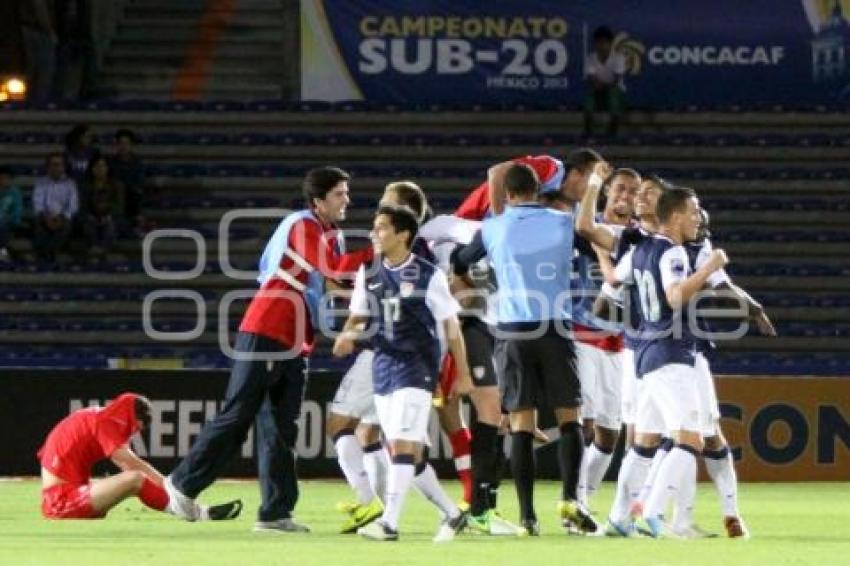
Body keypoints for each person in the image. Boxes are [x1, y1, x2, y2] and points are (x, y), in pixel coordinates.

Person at [165, 166, 374, 533]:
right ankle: (181, 484)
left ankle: (275, 512)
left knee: (280, 426)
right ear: (318, 200)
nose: (347, 200)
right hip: (269, 326)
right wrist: (381, 249)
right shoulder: (304, 225)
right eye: (340, 193)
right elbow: (331, 267)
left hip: (297, 337)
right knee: (239, 411)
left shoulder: (331, 233)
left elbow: (338, 279)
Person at [452, 163, 604, 536]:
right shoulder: (562, 222)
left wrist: (484, 283)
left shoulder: (491, 227)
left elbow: (459, 261)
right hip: (554, 327)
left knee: (520, 424)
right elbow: (594, 243)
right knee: (570, 418)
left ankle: (527, 516)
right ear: (537, 191)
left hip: (511, 333)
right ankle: (571, 499)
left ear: (507, 194)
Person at [333, 204, 473, 542]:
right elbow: (358, 315)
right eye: (374, 227)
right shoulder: (370, 272)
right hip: (383, 366)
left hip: (417, 367)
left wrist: (463, 374)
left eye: (381, 228)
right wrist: (347, 334)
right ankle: (453, 514)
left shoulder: (428, 275)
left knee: (403, 446)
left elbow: (451, 326)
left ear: (403, 234)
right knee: (409, 454)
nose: (374, 234)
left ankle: (389, 523)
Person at [610, 187, 729, 537]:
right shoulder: (673, 251)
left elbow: (614, 280)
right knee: (690, 439)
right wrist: (710, 266)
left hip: (645, 351)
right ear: (675, 215)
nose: (698, 218)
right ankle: (652, 510)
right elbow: (675, 297)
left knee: (645, 441)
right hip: (670, 350)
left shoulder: (639, 249)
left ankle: (619, 517)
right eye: (693, 211)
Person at [327, 181, 430, 534]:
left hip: (384, 355)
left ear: (405, 221)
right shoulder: (410, 256)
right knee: (371, 433)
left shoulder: (405, 260)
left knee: (340, 424)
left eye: (386, 212)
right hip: (403, 359)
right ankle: (388, 509)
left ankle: (368, 500)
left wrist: (351, 330)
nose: (376, 221)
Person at [37, 392, 241, 521]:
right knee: (134, 479)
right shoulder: (105, 423)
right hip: (61, 501)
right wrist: (169, 486)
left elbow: (48, 452)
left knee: (133, 479)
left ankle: (193, 510)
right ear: (128, 418)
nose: (131, 434)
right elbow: (129, 463)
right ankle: (193, 511)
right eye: (134, 428)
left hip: (69, 493)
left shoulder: (99, 417)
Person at [570, 168, 640, 512]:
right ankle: (576, 504)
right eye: (620, 190)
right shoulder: (589, 226)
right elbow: (581, 226)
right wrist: (593, 187)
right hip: (582, 335)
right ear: (608, 192)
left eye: (632, 192)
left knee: (609, 435)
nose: (625, 196)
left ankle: (586, 498)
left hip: (618, 343)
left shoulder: (637, 238)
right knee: (585, 423)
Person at [455, 148, 603, 219]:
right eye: (594, 180)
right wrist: (500, 222)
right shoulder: (551, 168)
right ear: (577, 173)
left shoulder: (576, 209)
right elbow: (496, 172)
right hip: (473, 216)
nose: (595, 190)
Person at [33, 152, 78, 262]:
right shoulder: (41, 182)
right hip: (45, 216)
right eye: (54, 164)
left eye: (60, 164)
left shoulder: (70, 183)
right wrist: (46, 217)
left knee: (66, 226)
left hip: (63, 217)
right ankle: (45, 254)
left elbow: (73, 205)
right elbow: (37, 203)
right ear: (48, 167)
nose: (57, 168)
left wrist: (61, 217)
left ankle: (49, 253)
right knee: (39, 225)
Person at [583, 25, 626, 137]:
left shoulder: (618, 58)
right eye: (598, 43)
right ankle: (588, 126)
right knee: (589, 95)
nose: (601, 46)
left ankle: (613, 125)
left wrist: (605, 86)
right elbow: (591, 77)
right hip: (597, 89)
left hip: (614, 89)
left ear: (610, 44)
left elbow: (617, 78)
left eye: (604, 43)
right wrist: (598, 85)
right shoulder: (590, 58)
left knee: (613, 94)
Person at [80, 153, 124, 256]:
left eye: (102, 166)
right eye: (97, 166)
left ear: (107, 168)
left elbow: (119, 206)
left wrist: (108, 216)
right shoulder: (85, 186)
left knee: (110, 226)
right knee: (88, 224)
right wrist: (91, 216)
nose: (100, 169)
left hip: (110, 218)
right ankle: (95, 248)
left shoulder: (117, 185)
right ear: (92, 169)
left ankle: (102, 250)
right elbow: (82, 206)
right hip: (91, 218)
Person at [108, 129, 147, 236]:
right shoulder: (110, 162)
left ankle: (134, 223)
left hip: (131, 197)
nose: (123, 146)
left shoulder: (137, 163)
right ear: (116, 145)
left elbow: (139, 182)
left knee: (135, 193)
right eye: (121, 143)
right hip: (114, 196)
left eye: (126, 143)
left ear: (131, 145)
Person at [0, 166, 24, 262]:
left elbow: (17, 213)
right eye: (1, 178)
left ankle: (2, 252)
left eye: (6, 178)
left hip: (9, 223)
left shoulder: (15, 193)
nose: (3, 181)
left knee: (2, 227)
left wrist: (5, 219)